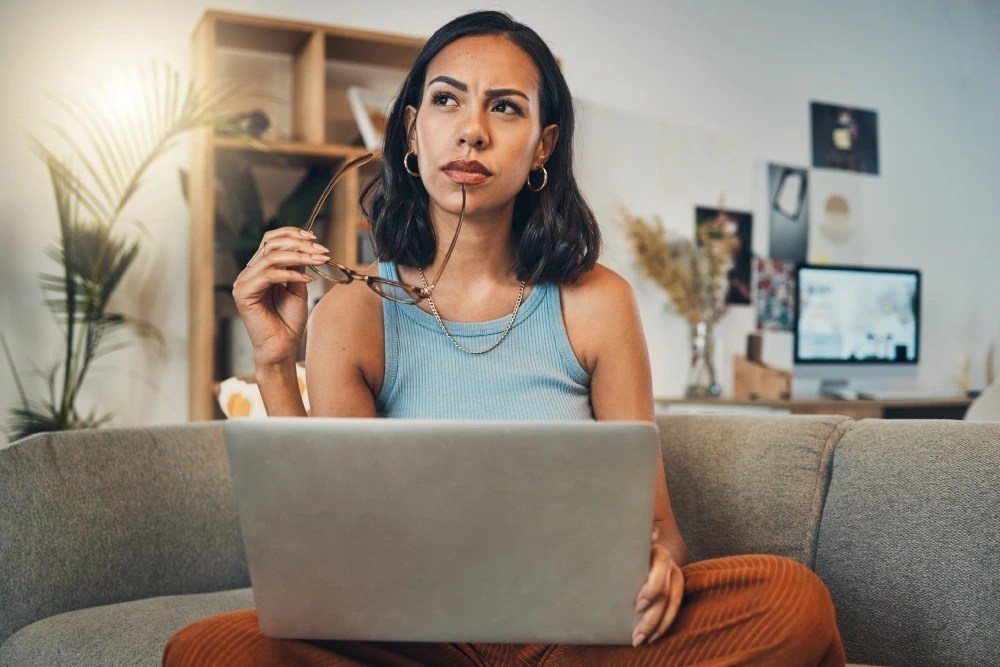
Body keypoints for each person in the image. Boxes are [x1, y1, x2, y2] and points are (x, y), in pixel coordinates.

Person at [164, 11, 845, 666]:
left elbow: (660, 525)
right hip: (417, 636)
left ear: (543, 145)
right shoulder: (353, 308)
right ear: (412, 130)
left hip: (577, 635)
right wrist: (277, 364)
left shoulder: (596, 300)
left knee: (793, 599)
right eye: (447, 100)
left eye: (506, 107)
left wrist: (663, 562)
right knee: (205, 651)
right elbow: (329, 543)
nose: (471, 132)